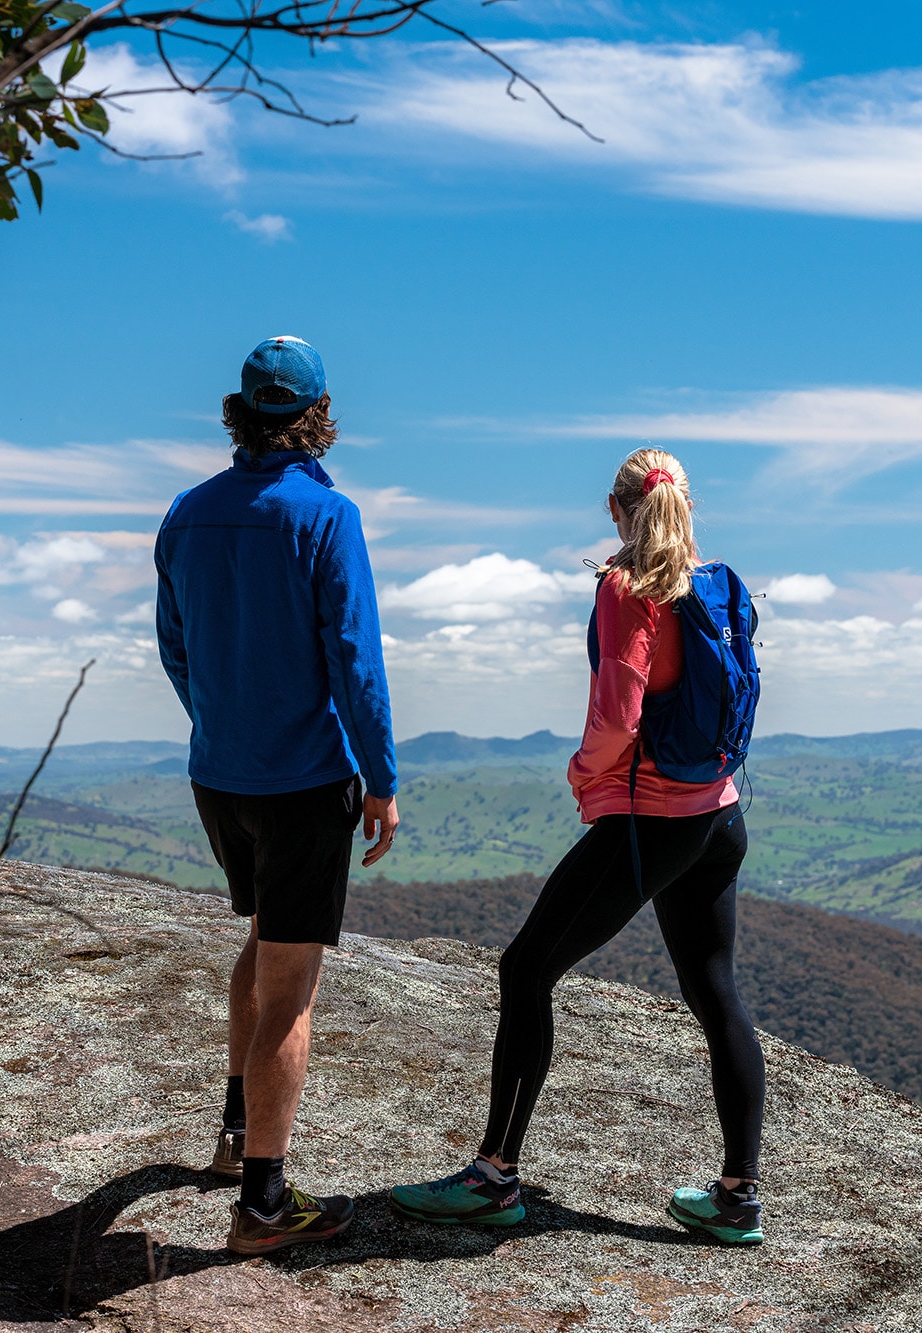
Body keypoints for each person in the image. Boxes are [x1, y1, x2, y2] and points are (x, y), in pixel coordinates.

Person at [387, 447, 766, 1245]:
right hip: (721, 815)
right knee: (717, 992)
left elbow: (619, 714)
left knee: (526, 967)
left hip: (651, 819)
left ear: (613, 507)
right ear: (688, 504)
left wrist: (582, 772)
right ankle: (737, 1197)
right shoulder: (719, 583)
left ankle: (494, 1178)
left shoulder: (628, 589)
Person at [154, 335, 401, 1257]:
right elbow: (355, 659)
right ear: (318, 416)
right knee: (291, 987)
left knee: (262, 940)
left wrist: (219, 722)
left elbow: (176, 648)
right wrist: (381, 778)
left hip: (219, 773)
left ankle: (231, 1135)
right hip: (304, 781)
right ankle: (263, 1202)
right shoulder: (326, 517)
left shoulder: (186, 514)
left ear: (240, 411)